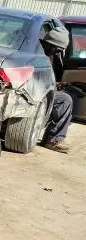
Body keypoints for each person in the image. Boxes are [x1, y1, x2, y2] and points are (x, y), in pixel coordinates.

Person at [40, 23, 73, 153]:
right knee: (65, 100)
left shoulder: (48, 53)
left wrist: (58, 84)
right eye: (57, 49)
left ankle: (52, 136)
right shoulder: (42, 56)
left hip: (46, 88)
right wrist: (53, 86)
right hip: (38, 92)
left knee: (65, 95)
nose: (58, 53)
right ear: (50, 44)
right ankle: (53, 140)